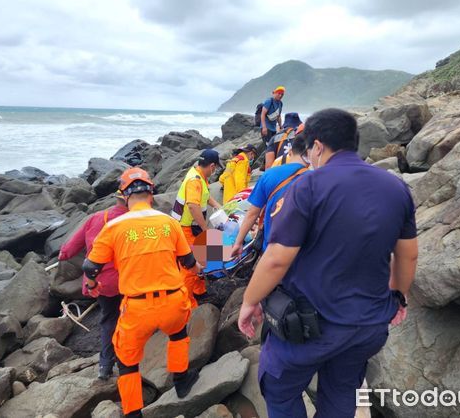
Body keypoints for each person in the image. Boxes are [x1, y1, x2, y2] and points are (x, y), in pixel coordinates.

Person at [237, 108, 418, 418]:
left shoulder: (309, 186)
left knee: (280, 391)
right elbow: (408, 254)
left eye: (310, 150)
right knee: (341, 393)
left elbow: (277, 259)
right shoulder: (396, 187)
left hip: (309, 328)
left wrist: (249, 301)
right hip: (368, 325)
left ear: (317, 145)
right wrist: (399, 296)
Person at [84, 167, 202, 417]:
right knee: (178, 334)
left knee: (127, 361)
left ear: (125, 196)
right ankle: (181, 381)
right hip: (172, 302)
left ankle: (133, 411)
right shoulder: (169, 222)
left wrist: (94, 286)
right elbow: (189, 261)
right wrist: (200, 268)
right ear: (151, 193)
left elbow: (91, 266)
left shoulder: (114, 227)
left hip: (137, 308)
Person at [58, 191, 127, 380]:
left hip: (101, 282)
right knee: (128, 318)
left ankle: (105, 365)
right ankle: (127, 362)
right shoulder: (136, 222)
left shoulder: (96, 218)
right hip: (129, 279)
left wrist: (63, 256)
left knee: (108, 319)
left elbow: (67, 250)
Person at [231, 134, 309, 257]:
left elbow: (252, 213)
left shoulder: (270, 174)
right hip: (302, 250)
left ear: (290, 151)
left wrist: (238, 242)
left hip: (272, 249)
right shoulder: (315, 178)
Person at [171, 149, 223, 307]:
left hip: (191, 227)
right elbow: (193, 206)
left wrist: (219, 207)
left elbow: (206, 196)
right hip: (185, 227)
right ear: (212, 166)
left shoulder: (200, 175)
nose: (214, 171)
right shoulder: (195, 180)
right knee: (189, 264)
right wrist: (205, 228)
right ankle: (186, 301)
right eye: (215, 168)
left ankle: (199, 290)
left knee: (201, 258)